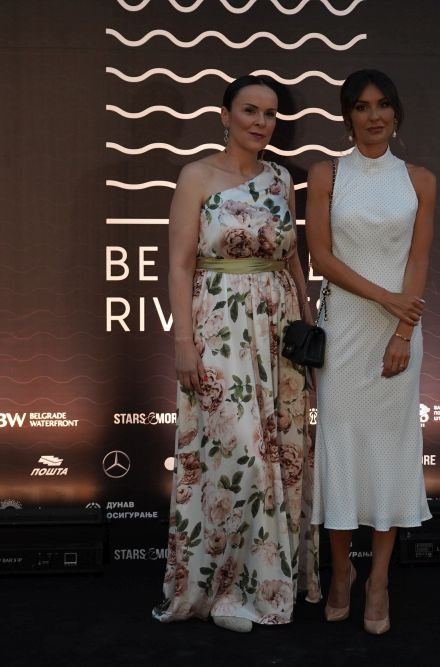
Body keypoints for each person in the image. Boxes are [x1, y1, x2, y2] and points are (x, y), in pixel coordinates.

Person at [153, 75, 320, 632]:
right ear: (224, 115)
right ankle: (222, 586)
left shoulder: (281, 178)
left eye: (270, 114)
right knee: (240, 457)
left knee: (281, 455)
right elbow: (180, 264)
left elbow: (292, 259)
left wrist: (307, 325)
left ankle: (254, 589)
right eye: (249, 110)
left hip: (278, 330)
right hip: (219, 326)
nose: (260, 122)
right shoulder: (196, 176)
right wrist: (183, 341)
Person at [307, 69, 435, 635]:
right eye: (362, 107)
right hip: (344, 332)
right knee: (339, 448)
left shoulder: (421, 180)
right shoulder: (326, 174)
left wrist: (402, 331)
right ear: (348, 116)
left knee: (389, 452)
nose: (374, 115)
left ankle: (378, 579)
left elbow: (419, 260)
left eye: (383, 104)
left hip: (399, 333)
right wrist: (387, 300)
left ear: (396, 112)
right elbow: (321, 258)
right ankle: (342, 571)